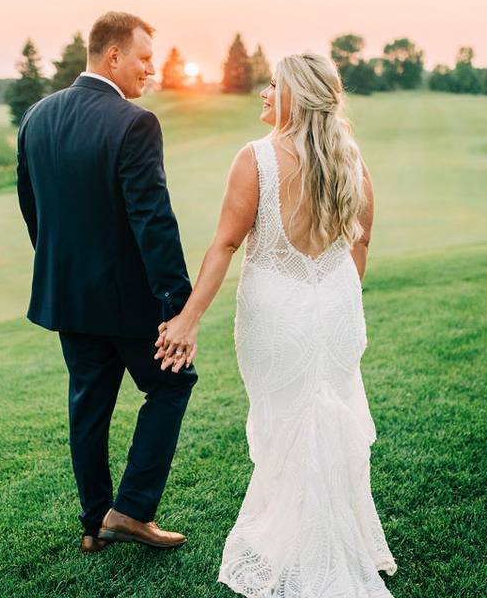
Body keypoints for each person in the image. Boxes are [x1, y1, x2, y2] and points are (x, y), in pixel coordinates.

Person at [155, 52, 397, 596]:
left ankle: (300, 547)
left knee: (286, 421)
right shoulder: (351, 160)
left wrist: (187, 319)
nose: (263, 93)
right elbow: (360, 246)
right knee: (327, 416)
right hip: (336, 309)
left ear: (298, 96)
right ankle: (335, 532)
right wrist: (338, 297)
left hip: (277, 315)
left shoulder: (256, 158)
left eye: (273, 85)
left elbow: (224, 244)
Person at [15, 11, 196, 554]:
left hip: (67, 298)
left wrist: (62, 273)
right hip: (129, 302)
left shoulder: (36, 118)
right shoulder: (134, 122)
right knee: (171, 384)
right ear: (112, 56)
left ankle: (94, 523)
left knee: (89, 405)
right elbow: (153, 220)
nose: (152, 71)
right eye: (144, 59)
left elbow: (32, 211)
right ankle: (133, 510)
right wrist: (178, 305)